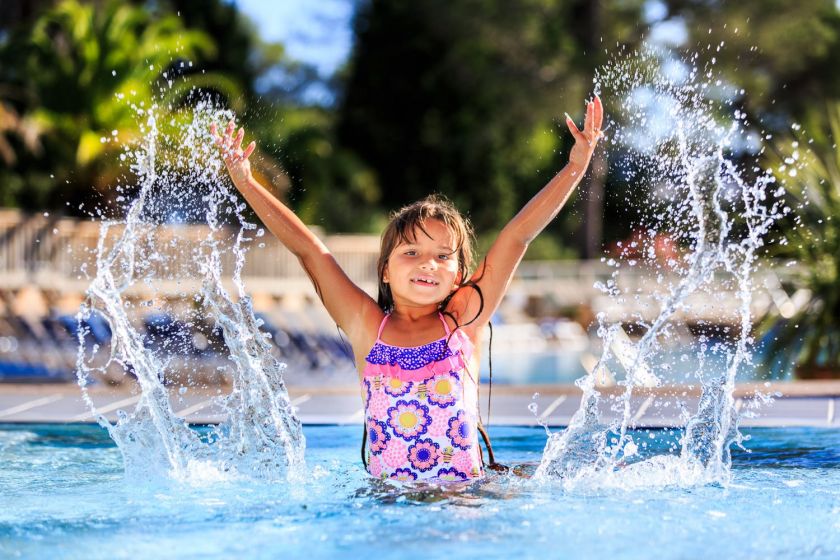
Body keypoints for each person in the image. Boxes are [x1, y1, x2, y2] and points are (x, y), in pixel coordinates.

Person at [211, 95, 604, 481]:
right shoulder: (367, 325)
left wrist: (574, 166)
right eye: (411, 252)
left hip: (464, 502)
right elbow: (311, 252)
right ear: (384, 271)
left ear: (458, 275)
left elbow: (517, 237)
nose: (427, 264)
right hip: (388, 505)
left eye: (441, 256)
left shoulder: (463, 320)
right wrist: (247, 183)